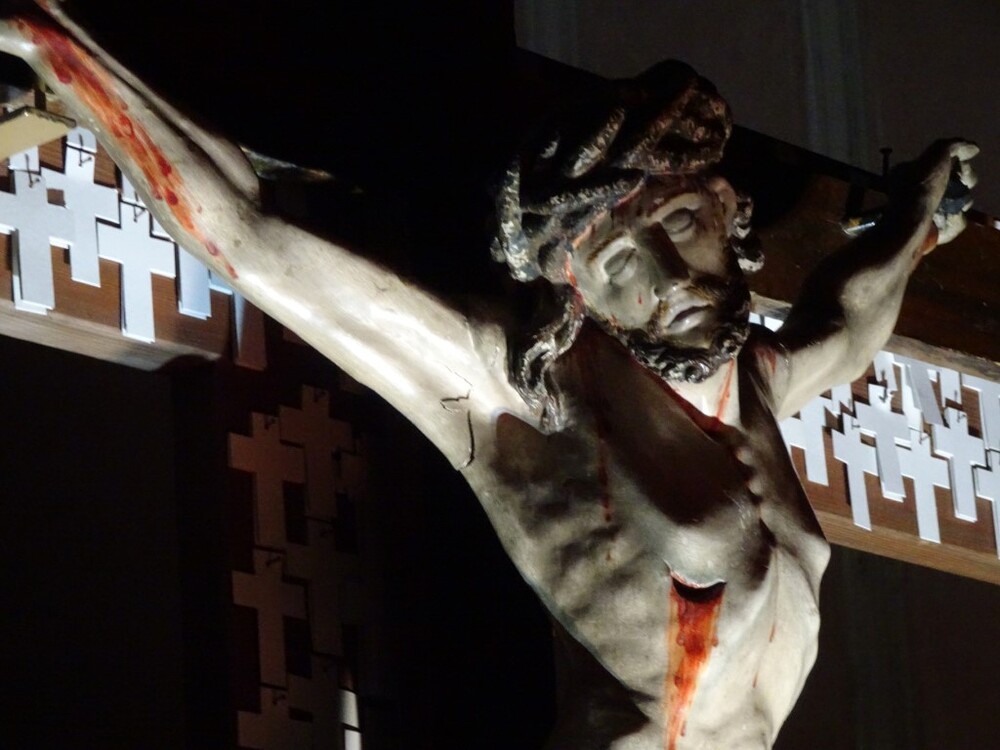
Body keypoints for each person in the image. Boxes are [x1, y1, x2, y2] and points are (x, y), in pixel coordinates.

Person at [0, 4, 977, 748]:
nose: (669, 280)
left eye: (680, 225)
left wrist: (917, 224)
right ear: (581, 291)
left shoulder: (758, 381)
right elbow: (254, 240)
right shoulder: (527, 398)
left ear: (728, 212)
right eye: (621, 265)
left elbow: (848, 318)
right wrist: (62, 52)